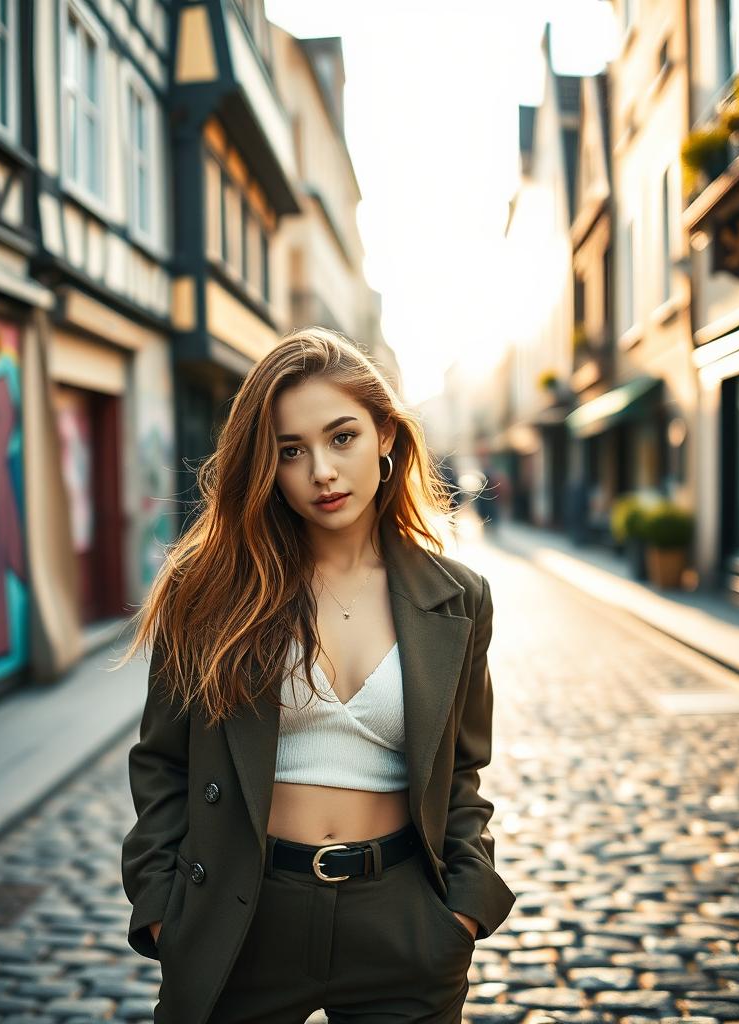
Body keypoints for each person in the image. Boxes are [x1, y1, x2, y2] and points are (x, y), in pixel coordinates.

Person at [119, 327, 516, 1024]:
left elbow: (462, 772)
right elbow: (161, 763)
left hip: (403, 926)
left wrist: (462, 911)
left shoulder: (458, 598)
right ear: (265, 465)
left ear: (386, 435)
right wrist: (162, 911)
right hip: (243, 918)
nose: (322, 472)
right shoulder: (208, 590)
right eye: (290, 451)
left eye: (342, 437)